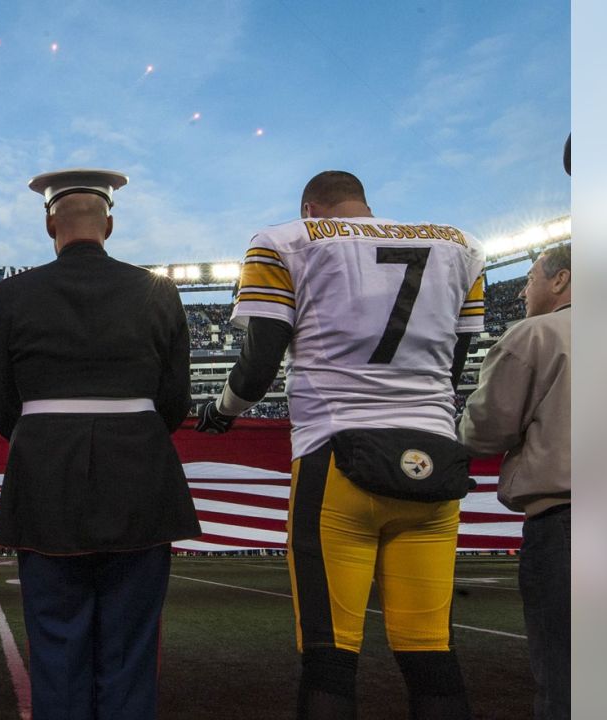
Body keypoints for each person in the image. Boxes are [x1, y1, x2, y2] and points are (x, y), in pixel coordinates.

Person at [196, 171, 485, 719]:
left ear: (311, 208)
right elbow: (454, 365)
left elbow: (259, 367)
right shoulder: (461, 247)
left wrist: (221, 410)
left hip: (337, 458)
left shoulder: (283, 242)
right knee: (431, 652)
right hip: (435, 462)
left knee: (330, 658)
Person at [0, 168, 200, 720]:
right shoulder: (159, 292)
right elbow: (175, 401)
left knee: (56, 646)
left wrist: (47, 440)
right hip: (140, 481)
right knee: (130, 649)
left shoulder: (11, 294)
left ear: (49, 220)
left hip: (45, 483)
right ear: (110, 222)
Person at [459, 244, 571, 719]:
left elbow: (485, 429)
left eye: (529, 278)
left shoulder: (538, 334)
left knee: (568, 678)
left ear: (560, 280)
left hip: (568, 523)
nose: (525, 289)